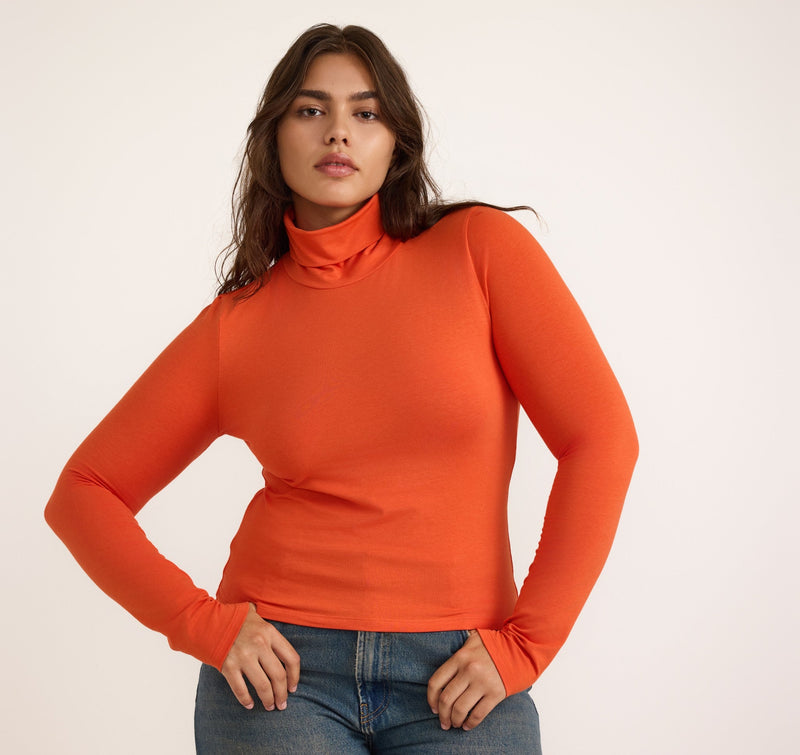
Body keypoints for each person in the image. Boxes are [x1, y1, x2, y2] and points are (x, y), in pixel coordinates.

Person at [45, 23, 638, 754]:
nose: (338, 132)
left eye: (366, 112)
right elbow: (84, 491)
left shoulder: (479, 253)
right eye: (310, 109)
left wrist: (528, 643)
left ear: (397, 142)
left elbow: (601, 439)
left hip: (462, 669)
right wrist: (203, 624)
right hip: (280, 678)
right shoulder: (239, 323)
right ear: (274, 136)